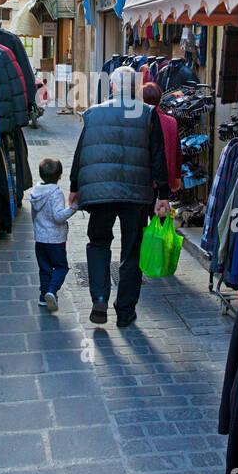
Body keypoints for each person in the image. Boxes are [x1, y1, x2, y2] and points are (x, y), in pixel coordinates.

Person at [69, 66, 170, 328]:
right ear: (136, 88)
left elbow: (81, 151)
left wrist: (74, 186)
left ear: (112, 87)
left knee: (99, 242)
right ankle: (125, 311)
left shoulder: (93, 113)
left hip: (101, 192)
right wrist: (163, 195)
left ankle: (100, 297)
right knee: (132, 251)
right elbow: (159, 156)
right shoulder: (148, 114)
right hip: (136, 195)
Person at [30, 157, 78, 312]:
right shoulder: (56, 193)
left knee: (44, 268)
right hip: (55, 239)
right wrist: (73, 208)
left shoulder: (36, 192)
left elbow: (34, 215)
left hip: (40, 239)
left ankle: (43, 297)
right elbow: (58, 217)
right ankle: (52, 290)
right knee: (61, 267)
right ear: (60, 176)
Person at [141, 82, 182, 195]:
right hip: (166, 179)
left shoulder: (139, 121)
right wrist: (177, 177)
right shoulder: (171, 122)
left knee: (143, 211)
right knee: (161, 211)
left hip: (143, 180)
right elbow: (178, 153)